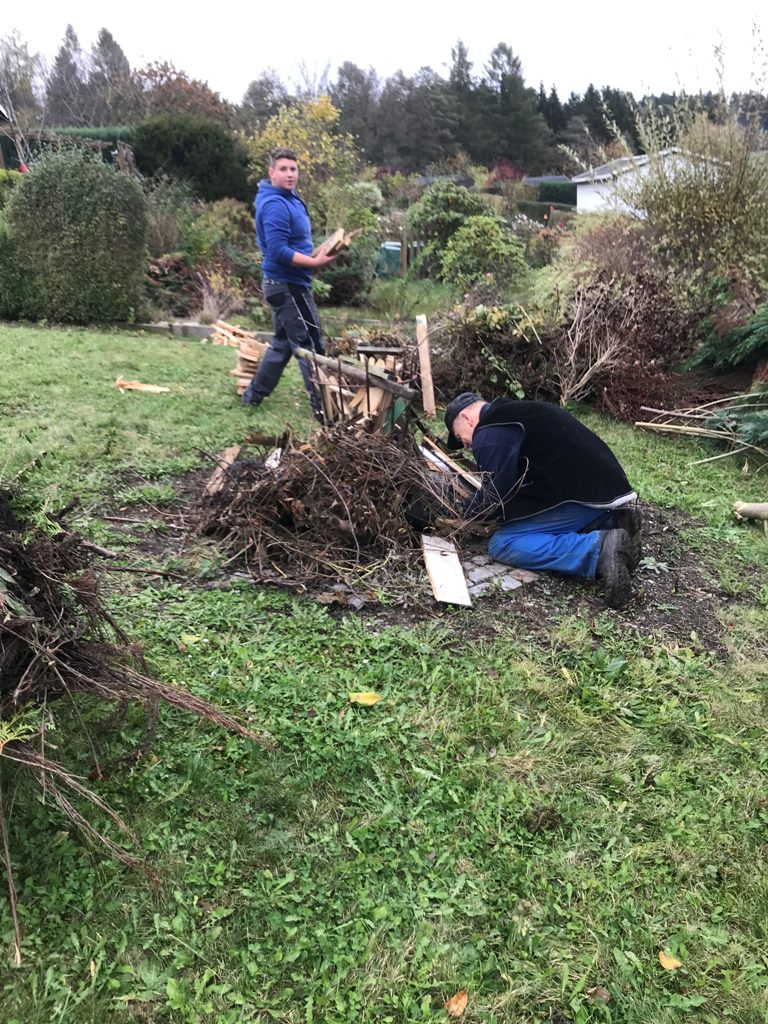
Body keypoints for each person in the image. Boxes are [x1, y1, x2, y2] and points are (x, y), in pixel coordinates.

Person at [444, 392, 642, 608]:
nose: (466, 446)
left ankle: (597, 549)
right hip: (608, 489)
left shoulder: (488, 432)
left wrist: (460, 510)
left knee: (503, 543)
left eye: (460, 438)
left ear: (466, 418)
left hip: (584, 498)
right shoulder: (516, 413)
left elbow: (494, 498)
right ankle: (612, 521)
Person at [242, 147, 337, 415]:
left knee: (282, 345)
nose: (289, 174)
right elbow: (278, 251)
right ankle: (324, 409)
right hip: (288, 286)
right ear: (271, 173)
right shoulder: (275, 204)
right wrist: (315, 263)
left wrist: (316, 252)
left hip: (286, 284)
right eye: (283, 169)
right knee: (310, 344)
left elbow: (294, 244)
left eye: (293, 169)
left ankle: (252, 396)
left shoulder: (289, 198)